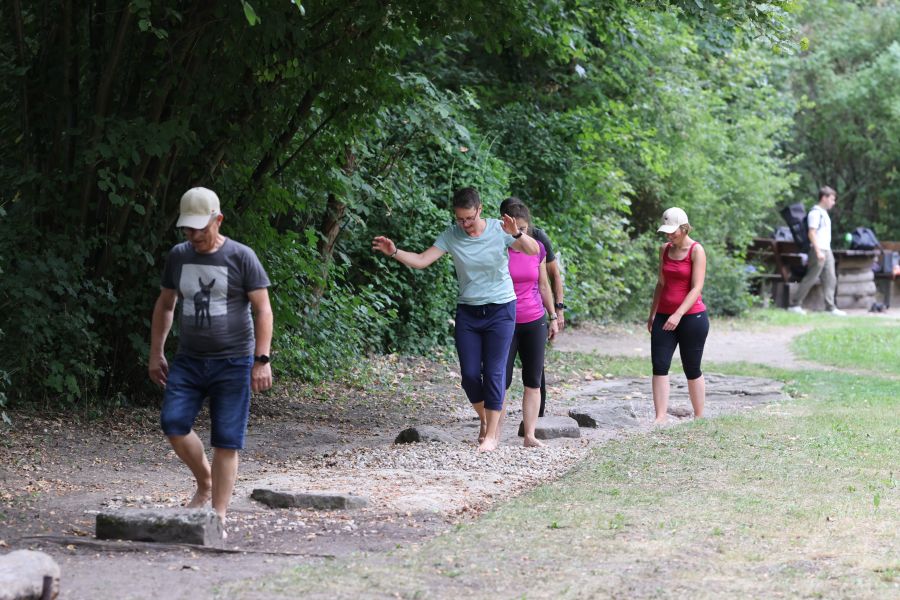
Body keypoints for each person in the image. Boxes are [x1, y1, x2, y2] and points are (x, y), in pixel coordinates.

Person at [372, 187, 539, 452]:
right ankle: (486, 420)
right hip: (469, 312)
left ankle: (491, 436)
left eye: (469, 218)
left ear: (479, 210)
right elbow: (422, 260)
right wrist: (394, 252)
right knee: (470, 376)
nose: (465, 224)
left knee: (495, 372)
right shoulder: (452, 235)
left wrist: (516, 232)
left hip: (501, 309)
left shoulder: (500, 229)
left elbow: (533, 250)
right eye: (460, 219)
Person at [148, 187, 273, 526]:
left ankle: (217, 517)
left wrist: (262, 359)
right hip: (189, 360)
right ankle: (205, 481)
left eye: (200, 228)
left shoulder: (241, 256)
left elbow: (263, 309)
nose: (194, 235)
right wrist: (156, 351)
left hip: (234, 361)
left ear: (218, 220)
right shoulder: (178, 255)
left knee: (226, 440)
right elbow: (165, 304)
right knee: (173, 423)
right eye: (188, 229)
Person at [498, 197, 566, 416]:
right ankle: (491, 431)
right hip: (504, 319)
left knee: (534, 378)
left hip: (533, 317)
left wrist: (555, 314)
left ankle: (533, 428)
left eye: (524, 229)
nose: (520, 234)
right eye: (516, 229)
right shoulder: (497, 246)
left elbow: (546, 282)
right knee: (500, 378)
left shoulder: (537, 244)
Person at [647, 207, 708, 424]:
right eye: (667, 232)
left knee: (691, 367)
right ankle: (660, 416)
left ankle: (699, 416)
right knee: (660, 364)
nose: (669, 235)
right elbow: (661, 284)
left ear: (684, 228)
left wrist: (678, 314)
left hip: (692, 317)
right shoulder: (664, 249)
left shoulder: (696, 250)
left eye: (673, 231)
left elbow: (696, 288)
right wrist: (653, 313)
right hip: (664, 315)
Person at [788, 186, 847, 315]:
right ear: (824, 198)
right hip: (818, 249)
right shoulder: (815, 213)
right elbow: (812, 233)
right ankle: (795, 304)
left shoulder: (824, 213)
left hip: (827, 249)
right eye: (832, 199)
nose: (833, 202)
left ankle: (830, 307)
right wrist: (818, 251)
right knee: (811, 277)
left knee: (831, 278)